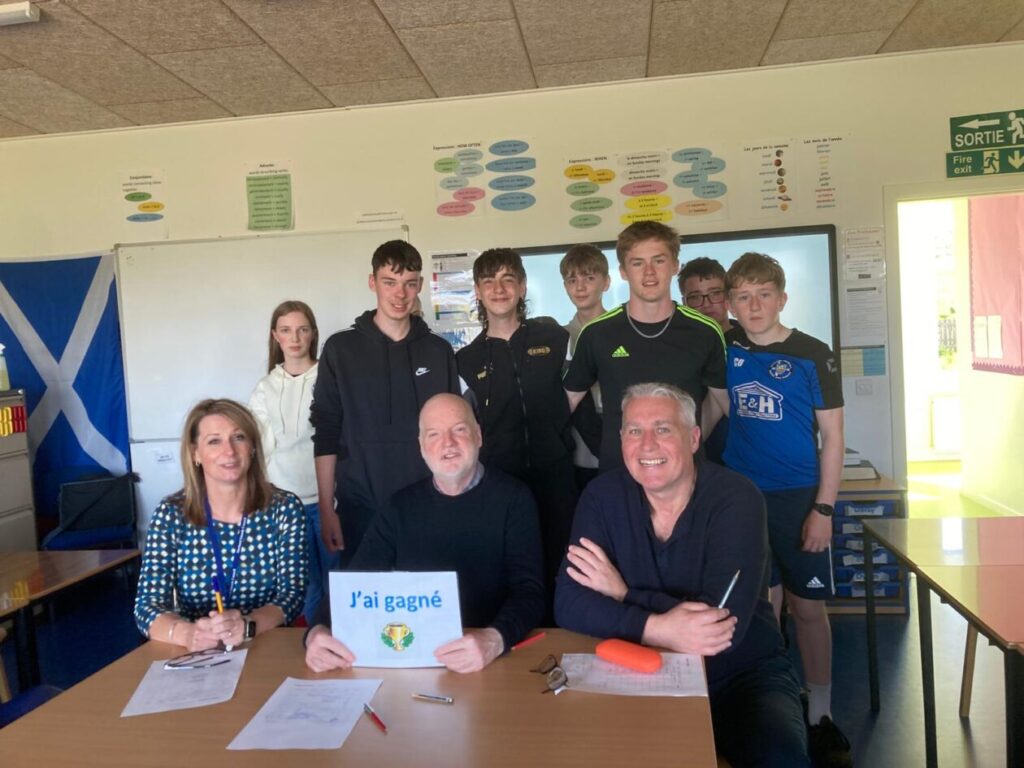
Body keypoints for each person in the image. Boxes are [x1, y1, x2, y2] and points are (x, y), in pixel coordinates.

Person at [554, 383, 810, 768]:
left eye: (663, 429)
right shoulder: (601, 497)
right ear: (621, 440)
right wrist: (659, 628)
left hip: (740, 674)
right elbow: (569, 603)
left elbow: (718, 630)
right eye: (634, 430)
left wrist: (624, 595)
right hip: (636, 667)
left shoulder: (737, 499)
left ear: (693, 438)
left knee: (781, 758)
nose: (647, 445)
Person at [304, 393, 544, 674]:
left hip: (492, 663)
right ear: (421, 447)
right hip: (416, 662)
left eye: (459, 429)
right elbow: (355, 584)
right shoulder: (399, 507)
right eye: (434, 434)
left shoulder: (515, 499)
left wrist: (495, 638)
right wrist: (316, 631)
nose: (448, 443)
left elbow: (530, 593)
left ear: (478, 436)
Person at [723, 252, 850, 767]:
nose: (754, 305)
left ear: (782, 299)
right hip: (743, 499)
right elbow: (715, 406)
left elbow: (834, 438)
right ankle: (776, 701)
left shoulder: (813, 354)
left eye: (763, 295)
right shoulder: (726, 348)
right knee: (764, 606)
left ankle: (820, 713)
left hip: (799, 498)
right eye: (743, 296)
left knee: (808, 608)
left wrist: (824, 508)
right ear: (731, 305)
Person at [310, 240, 460, 566]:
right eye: (389, 282)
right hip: (358, 510)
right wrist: (326, 508)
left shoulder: (438, 351)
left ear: (420, 285)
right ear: (372, 282)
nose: (400, 294)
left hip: (429, 507)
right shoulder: (340, 350)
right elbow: (326, 431)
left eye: (409, 283)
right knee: (363, 596)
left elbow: (454, 434)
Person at [456, 248, 577, 614]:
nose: (499, 289)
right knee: (515, 570)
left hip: (557, 474)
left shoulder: (554, 338)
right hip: (501, 481)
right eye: (489, 281)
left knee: (562, 566)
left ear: (522, 287)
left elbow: (578, 395)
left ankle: (563, 633)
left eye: (508, 279)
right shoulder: (465, 360)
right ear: (478, 291)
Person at [134, 398, 307, 650]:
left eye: (239, 437)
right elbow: (147, 606)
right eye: (214, 441)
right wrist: (187, 634)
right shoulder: (171, 514)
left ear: (252, 447)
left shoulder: (284, 508)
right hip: (198, 651)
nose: (229, 451)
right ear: (195, 453)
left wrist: (247, 625)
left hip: (267, 646)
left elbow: (292, 596)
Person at [563, 221, 729, 471]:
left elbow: (724, 402)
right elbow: (568, 401)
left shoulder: (705, 331)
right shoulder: (597, 333)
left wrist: (691, 439)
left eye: (659, 261)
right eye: (638, 263)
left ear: (675, 265)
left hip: (684, 474)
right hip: (618, 474)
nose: (649, 272)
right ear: (623, 271)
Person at [249, 300, 336, 624]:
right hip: (285, 506)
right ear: (276, 336)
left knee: (338, 582)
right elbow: (258, 448)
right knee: (307, 588)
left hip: (329, 501)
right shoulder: (265, 388)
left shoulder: (329, 378)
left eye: (302, 329)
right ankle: (315, 645)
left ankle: (344, 645)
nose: (295, 338)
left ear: (313, 333)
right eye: (286, 330)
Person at [559, 243, 610, 491]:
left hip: (622, 439)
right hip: (578, 452)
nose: (580, 287)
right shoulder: (559, 339)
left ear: (606, 282)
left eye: (589, 278)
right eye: (572, 280)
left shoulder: (624, 330)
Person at [678, 257, 734, 463]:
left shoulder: (751, 340)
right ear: (684, 302)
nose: (707, 304)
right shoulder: (676, 346)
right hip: (694, 455)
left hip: (746, 452)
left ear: (728, 295)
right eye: (695, 297)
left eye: (715, 293)